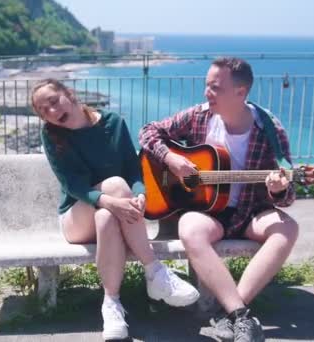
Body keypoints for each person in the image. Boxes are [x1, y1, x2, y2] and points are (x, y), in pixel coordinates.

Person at [138, 57, 299, 342]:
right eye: (206, 86)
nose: (206, 93)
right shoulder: (199, 116)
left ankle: (232, 314)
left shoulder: (269, 129)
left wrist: (277, 190)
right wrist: (172, 159)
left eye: (214, 88)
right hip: (209, 212)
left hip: (250, 211)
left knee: (287, 228)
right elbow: (148, 132)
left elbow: (287, 196)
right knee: (189, 228)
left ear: (241, 92)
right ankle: (242, 316)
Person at [31, 79, 200, 340]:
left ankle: (111, 304)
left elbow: (133, 169)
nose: (52, 112)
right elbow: (73, 185)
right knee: (115, 187)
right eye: (44, 110)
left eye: (54, 101)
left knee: (107, 217)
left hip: (111, 214)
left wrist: (141, 194)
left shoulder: (112, 123)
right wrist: (111, 199)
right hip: (76, 217)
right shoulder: (52, 135)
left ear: (70, 94)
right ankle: (154, 271)